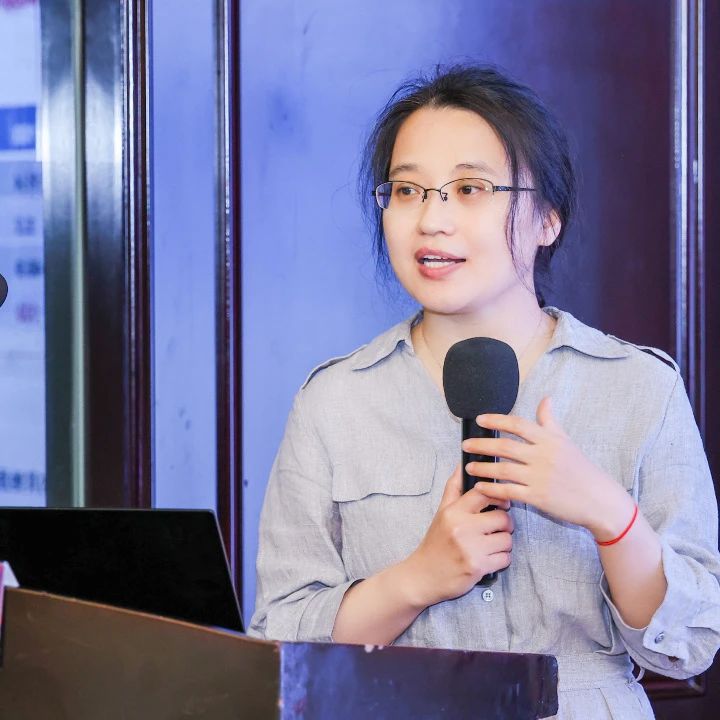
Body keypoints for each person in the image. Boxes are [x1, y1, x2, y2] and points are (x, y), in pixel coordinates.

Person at [247, 65, 720, 718]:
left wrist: (610, 514)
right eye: (407, 190)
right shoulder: (334, 403)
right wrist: (417, 579)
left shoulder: (639, 387)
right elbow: (279, 644)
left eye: (469, 188)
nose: (431, 219)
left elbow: (689, 644)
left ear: (547, 219)